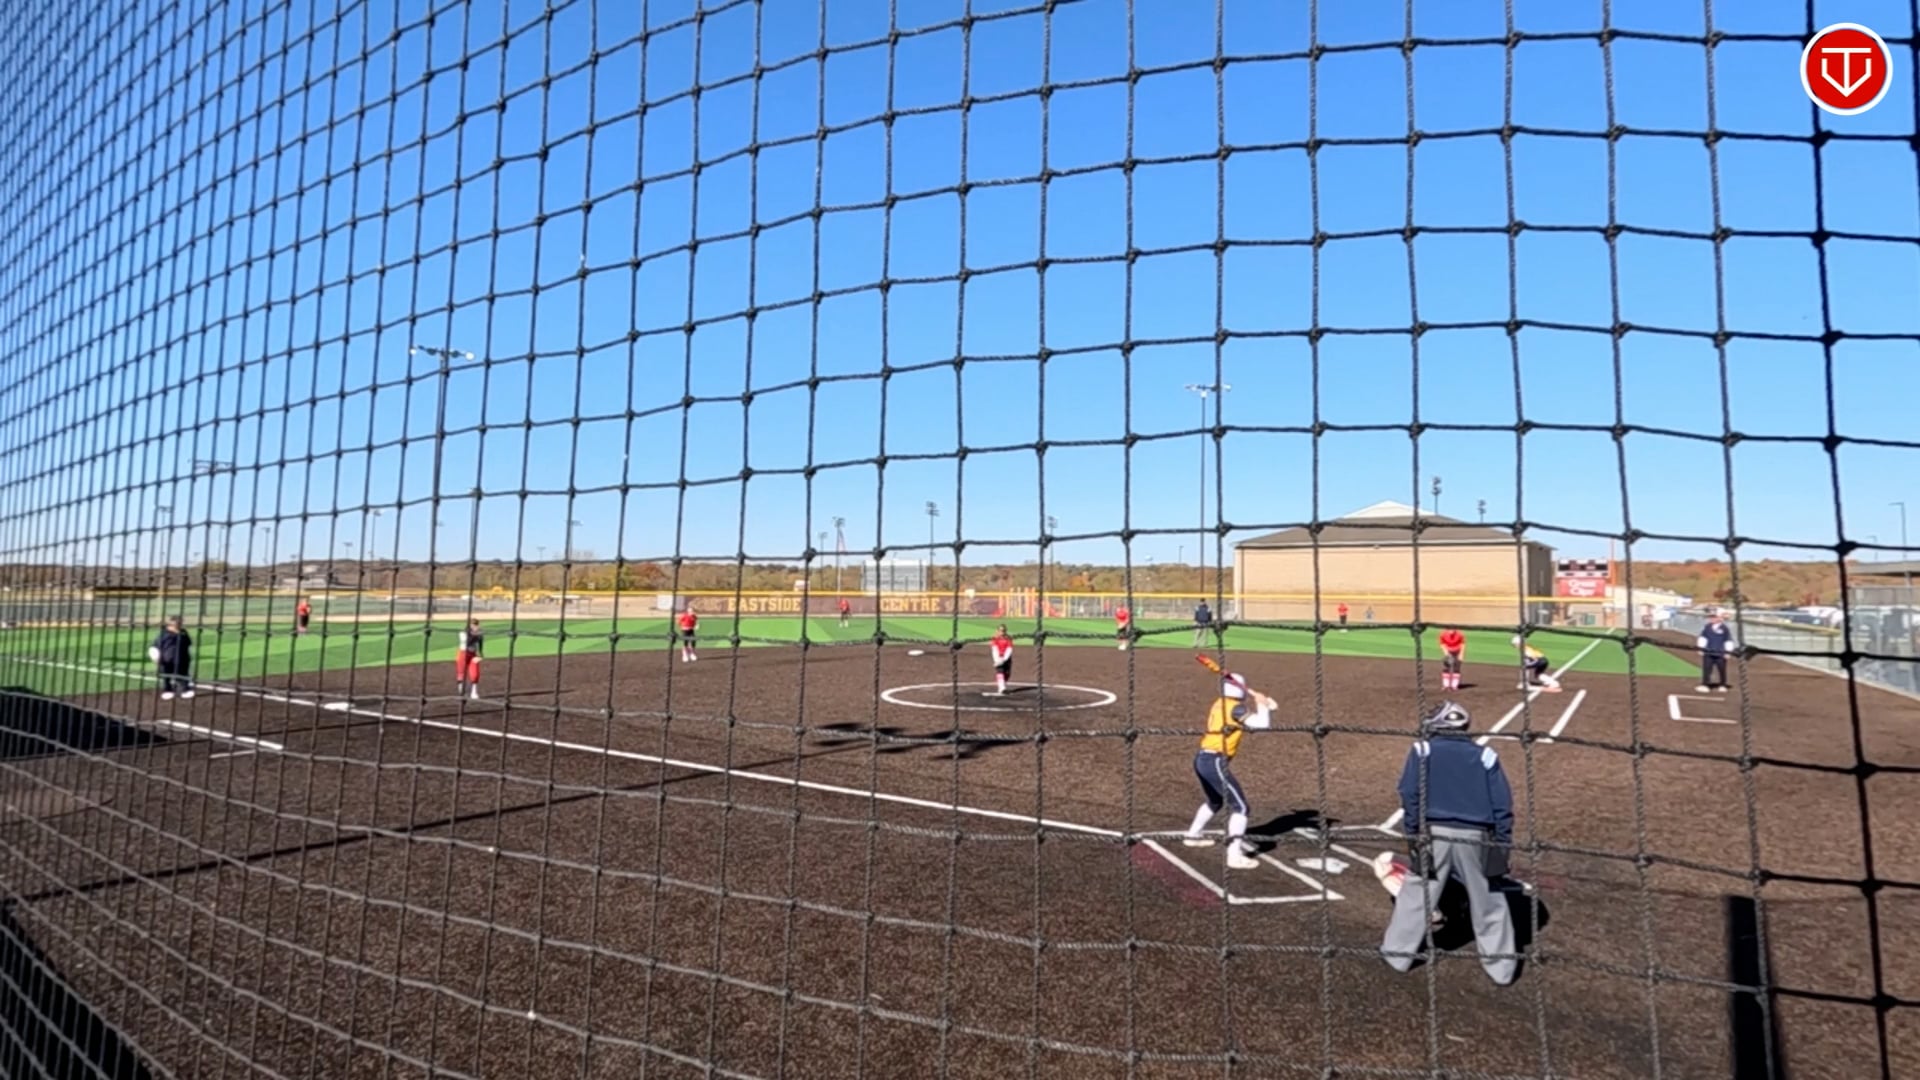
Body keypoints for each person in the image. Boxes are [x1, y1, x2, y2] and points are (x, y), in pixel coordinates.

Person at [1380, 701, 1519, 986]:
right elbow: (1502, 804)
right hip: (1478, 836)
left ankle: (1397, 955)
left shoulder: (1423, 750)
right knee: (1489, 898)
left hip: (1434, 834)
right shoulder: (1486, 755)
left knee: (1418, 892)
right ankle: (1502, 969)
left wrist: (1413, 833)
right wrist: (1502, 844)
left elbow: (1410, 793)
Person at [1180, 671, 1276, 870]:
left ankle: (1193, 835)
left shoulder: (1220, 703)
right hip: (1214, 761)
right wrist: (1261, 705)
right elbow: (1262, 725)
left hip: (1202, 759)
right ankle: (1234, 856)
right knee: (1241, 807)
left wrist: (1263, 705)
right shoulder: (1236, 708)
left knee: (1215, 801)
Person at [148, 616, 194, 700]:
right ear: (172, 623)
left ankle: (185, 690)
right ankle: (167, 690)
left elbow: (188, 644)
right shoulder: (164, 634)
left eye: (180, 623)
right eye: (178, 623)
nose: (180, 624)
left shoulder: (183, 632)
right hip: (167, 660)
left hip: (182, 658)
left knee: (183, 674)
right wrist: (156, 658)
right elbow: (155, 647)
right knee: (166, 676)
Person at [1697, 610, 1733, 693]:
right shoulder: (1707, 627)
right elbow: (1703, 638)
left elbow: (1728, 640)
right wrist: (1701, 648)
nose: (1712, 618)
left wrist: (1728, 652)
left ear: (1719, 618)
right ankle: (1705, 684)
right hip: (1708, 652)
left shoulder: (1724, 628)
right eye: (1711, 617)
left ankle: (1722, 684)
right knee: (1707, 669)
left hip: (1720, 653)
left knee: (1721, 669)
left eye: (1714, 617)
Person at [455, 618, 484, 700]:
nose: (475, 626)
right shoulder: (463, 633)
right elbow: (468, 642)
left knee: (475, 673)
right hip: (463, 654)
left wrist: (480, 653)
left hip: (473, 654)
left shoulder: (477, 632)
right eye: (473, 624)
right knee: (461, 673)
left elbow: (480, 642)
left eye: (476, 624)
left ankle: (474, 692)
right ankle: (461, 690)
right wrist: (476, 635)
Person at [989, 624, 1014, 695]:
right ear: (997, 631)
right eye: (1000, 630)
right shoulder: (995, 638)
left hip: (1006, 658)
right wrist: (997, 660)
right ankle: (1002, 688)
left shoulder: (1008, 638)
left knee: (1007, 674)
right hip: (998, 657)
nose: (1002, 632)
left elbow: (1009, 649)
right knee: (1000, 671)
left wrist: (1004, 659)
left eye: (1003, 631)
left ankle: (1002, 685)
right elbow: (994, 649)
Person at [1438, 627, 1466, 691]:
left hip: (1457, 651)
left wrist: (1461, 654)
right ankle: (1446, 685)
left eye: (1453, 629)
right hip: (1448, 651)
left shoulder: (1460, 634)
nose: (1451, 631)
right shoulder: (1443, 634)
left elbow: (1462, 644)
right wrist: (1446, 654)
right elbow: (1442, 644)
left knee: (1456, 668)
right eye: (1450, 629)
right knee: (1446, 668)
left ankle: (1454, 686)